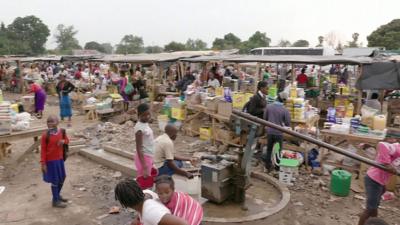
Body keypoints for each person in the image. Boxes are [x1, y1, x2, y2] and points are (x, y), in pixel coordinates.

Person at [358, 140, 400, 225]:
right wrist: (387, 164)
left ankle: (374, 222)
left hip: (381, 182)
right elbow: (382, 144)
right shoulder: (397, 149)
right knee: (369, 209)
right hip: (373, 180)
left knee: (374, 206)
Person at [115, 179, 188, 225]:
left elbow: (183, 223)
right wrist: (137, 219)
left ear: (125, 204)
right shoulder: (145, 193)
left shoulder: (150, 214)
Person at [41, 115, 69, 208]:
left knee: (62, 177)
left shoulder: (62, 132)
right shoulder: (45, 135)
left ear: (57, 122)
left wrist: (63, 141)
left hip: (60, 160)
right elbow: (43, 150)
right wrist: (43, 163)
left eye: (52, 121)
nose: (50, 123)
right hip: (51, 161)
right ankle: (55, 200)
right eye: (48, 122)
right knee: (55, 180)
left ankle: (56, 196)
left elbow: (67, 140)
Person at [262, 92, 291, 172]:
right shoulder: (284, 110)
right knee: (278, 151)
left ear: (277, 97)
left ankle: (267, 166)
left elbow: (265, 118)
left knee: (269, 149)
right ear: (284, 100)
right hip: (279, 133)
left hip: (270, 132)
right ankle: (277, 168)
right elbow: (288, 122)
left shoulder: (269, 107)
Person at [134, 103, 155, 185]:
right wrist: (144, 165)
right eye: (144, 115)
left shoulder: (144, 123)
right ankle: (140, 196)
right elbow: (139, 148)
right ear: (139, 115)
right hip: (144, 157)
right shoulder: (139, 129)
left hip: (148, 156)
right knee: (144, 183)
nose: (147, 117)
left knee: (145, 181)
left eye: (148, 114)